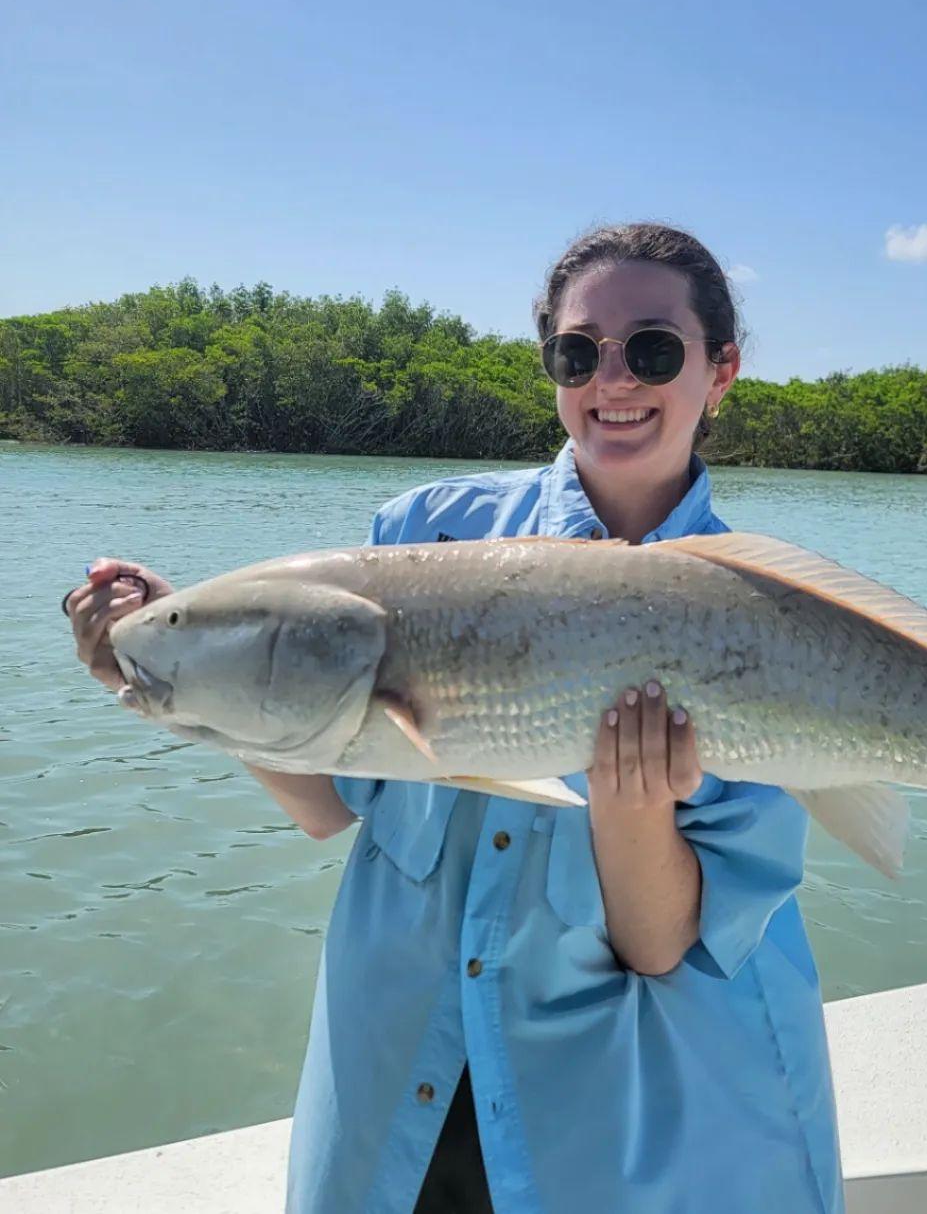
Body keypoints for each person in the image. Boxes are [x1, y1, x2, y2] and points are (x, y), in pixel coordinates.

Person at [65, 222, 845, 1214]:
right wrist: (186, 682)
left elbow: (660, 947)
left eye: (652, 349)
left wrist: (632, 806)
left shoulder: (779, 618)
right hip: (402, 1084)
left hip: (629, 1123)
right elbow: (328, 806)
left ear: (721, 368)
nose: (613, 378)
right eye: (577, 351)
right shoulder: (421, 533)